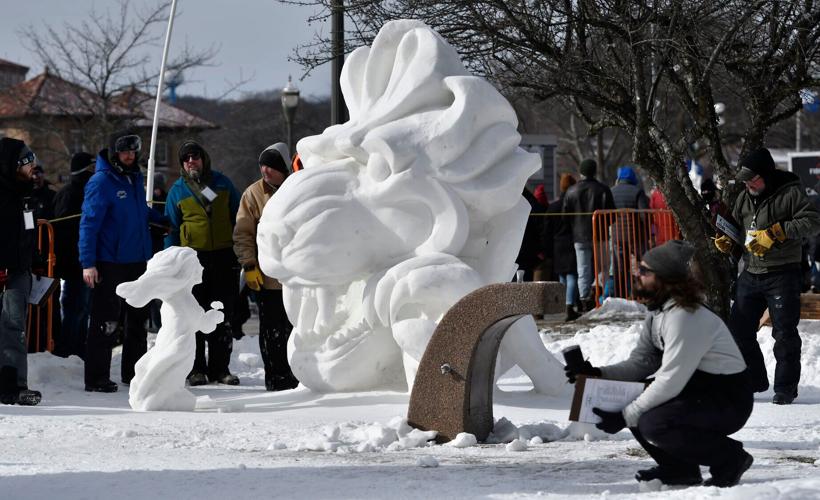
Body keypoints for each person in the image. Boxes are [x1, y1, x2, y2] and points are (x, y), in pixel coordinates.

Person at [566, 240, 754, 488]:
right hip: (698, 391)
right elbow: (641, 363)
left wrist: (625, 416)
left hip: (727, 400)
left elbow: (670, 381)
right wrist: (597, 373)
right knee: (633, 399)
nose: (638, 275)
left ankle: (730, 459)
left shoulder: (684, 317)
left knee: (652, 421)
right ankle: (679, 468)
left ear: (665, 278)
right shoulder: (659, 313)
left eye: (644, 271)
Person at [715, 147, 820, 404]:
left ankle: (785, 388)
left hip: (783, 273)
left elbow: (813, 222)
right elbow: (739, 227)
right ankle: (755, 380)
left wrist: (777, 232)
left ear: (767, 174)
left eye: (754, 178)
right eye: (746, 180)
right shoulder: (744, 197)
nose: (750, 184)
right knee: (739, 330)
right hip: (751, 272)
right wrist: (729, 241)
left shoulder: (791, 193)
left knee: (784, 333)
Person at [80, 131, 163, 393]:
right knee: (107, 321)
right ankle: (96, 378)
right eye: (124, 151)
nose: (129, 155)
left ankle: (133, 373)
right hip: (109, 262)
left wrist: (162, 219)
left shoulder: (134, 178)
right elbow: (89, 224)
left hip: (137, 261)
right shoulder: (101, 182)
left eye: (133, 150)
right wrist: (88, 263)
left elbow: (139, 213)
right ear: (114, 153)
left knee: (137, 321)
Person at [165, 140, 241, 386]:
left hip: (223, 258)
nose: (191, 162)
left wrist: (240, 252)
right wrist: (172, 263)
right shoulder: (177, 190)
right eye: (186, 158)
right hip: (192, 262)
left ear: (203, 158)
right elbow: (171, 229)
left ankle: (221, 369)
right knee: (194, 316)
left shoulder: (223, 183)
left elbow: (238, 218)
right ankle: (196, 369)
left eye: (195, 157)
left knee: (221, 315)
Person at [233, 143, 299, 391]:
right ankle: (276, 377)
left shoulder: (297, 189)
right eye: (262, 165)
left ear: (283, 168)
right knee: (271, 331)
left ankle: (300, 375)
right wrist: (249, 264)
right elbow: (243, 233)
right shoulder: (253, 194)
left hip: (297, 279)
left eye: (271, 166)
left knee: (296, 330)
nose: (265, 170)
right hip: (268, 278)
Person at [0, 137, 42, 405]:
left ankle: (15, 386)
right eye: (27, 163)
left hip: (20, 270)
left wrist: (34, 262)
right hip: (3, 269)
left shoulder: (26, 194)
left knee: (14, 327)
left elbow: (28, 231)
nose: (32, 168)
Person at [53, 152, 96, 359]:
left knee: (84, 307)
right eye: (90, 169)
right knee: (74, 307)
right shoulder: (70, 194)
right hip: (73, 262)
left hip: (83, 260)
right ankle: (67, 349)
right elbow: (62, 229)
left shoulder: (85, 192)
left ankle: (78, 347)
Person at [563, 158, 615, 312]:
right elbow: (612, 215)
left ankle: (585, 299)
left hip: (579, 236)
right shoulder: (603, 190)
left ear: (581, 172)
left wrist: (574, 227)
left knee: (583, 269)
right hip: (600, 234)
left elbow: (565, 216)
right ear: (595, 171)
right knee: (604, 266)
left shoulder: (571, 191)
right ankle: (597, 291)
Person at [543, 173, 580, 321]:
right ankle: (570, 305)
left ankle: (563, 304)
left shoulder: (553, 206)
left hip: (557, 244)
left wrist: (546, 250)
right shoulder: (574, 205)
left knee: (562, 277)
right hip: (571, 242)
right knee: (572, 275)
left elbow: (546, 230)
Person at [609, 166, 649, 298]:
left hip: (617, 236)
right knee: (643, 263)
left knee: (619, 266)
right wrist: (648, 233)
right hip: (636, 235)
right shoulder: (637, 191)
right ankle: (644, 293)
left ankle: (621, 295)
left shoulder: (611, 191)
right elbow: (645, 214)